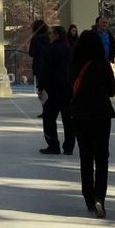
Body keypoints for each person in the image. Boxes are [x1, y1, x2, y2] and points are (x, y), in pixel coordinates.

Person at [69, 30, 115, 216]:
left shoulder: (74, 64)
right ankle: (100, 197)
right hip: (101, 114)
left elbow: (69, 88)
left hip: (80, 114)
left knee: (86, 157)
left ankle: (88, 197)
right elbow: (112, 91)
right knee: (102, 157)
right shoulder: (103, 64)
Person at [39, 25, 75, 155]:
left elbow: (45, 70)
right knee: (68, 119)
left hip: (52, 88)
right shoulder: (69, 49)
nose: (49, 35)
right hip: (67, 88)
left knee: (49, 119)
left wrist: (41, 87)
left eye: (50, 33)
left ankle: (53, 145)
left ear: (56, 35)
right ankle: (69, 147)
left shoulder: (48, 49)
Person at [28, 19, 50, 119]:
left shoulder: (35, 39)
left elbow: (31, 53)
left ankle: (45, 109)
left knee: (41, 89)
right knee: (50, 88)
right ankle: (50, 109)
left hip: (39, 66)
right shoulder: (50, 38)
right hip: (49, 66)